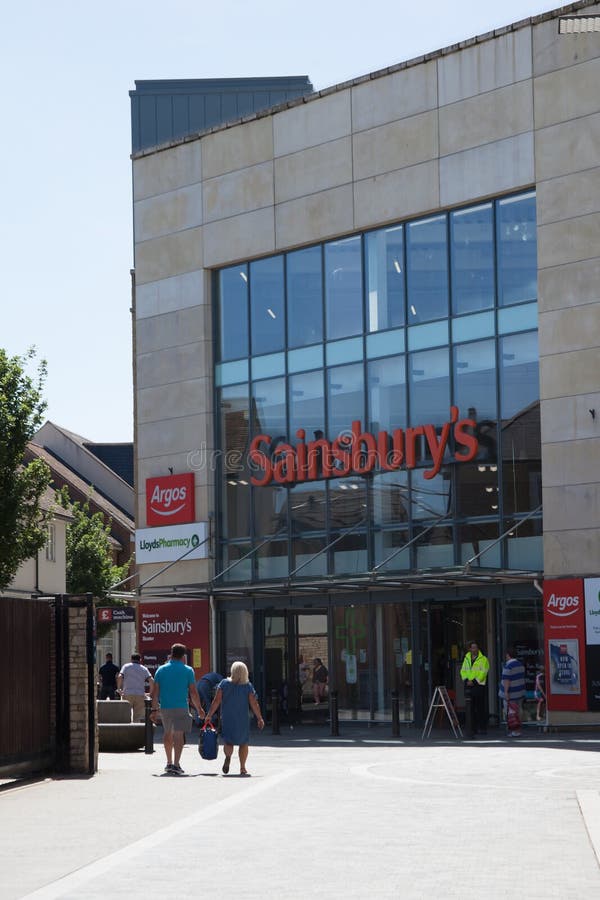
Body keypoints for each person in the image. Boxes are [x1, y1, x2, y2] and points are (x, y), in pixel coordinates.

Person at [150, 643, 205, 775]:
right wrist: (199, 709)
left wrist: (154, 709)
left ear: (171, 653)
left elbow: (155, 692)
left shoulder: (161, 670)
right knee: (179, 735)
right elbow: (193, 692)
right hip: (181, 706)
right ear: (183, 655)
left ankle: (168, 762)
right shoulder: (188, 670)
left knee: (167, 733)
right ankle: (176, 764)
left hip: (165, 707)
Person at [205, 661, 264, 776]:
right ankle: (242, 767)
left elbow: (216, 701)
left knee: (228, 741)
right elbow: (254, 703)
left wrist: (209, 715)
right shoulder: (248, 686)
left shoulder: (224, 683)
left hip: (227, 718)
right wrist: (259, 718)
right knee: (244, 743)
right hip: (242, 718)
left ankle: (228, 756)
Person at [460, 641, 490, 737]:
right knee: (470, 708)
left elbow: (483, 672)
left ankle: (482, 728)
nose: (474, 649)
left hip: (479, 685)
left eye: (475, 647)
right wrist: (466, 680)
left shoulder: (484, 659)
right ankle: (472, 728)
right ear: (469, 649)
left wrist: (474, 681)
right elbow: (463, 671)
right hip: (468, 685)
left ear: (478, 648)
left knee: (480, 708)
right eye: (472, 648)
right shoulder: (466, 658)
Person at [498, 646, 526, 737]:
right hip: (520, 692)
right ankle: (518, 730)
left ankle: (514, 731)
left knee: (511, 713)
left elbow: (506, 680)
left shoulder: (508, 666)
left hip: (511, 694)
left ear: (508, 655)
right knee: (518, 711)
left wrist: (506, 693)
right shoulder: (520, 665)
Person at [117, 653, 153, 722]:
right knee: (138, 717)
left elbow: (120, 676)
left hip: (127, 693)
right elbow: (151, 680)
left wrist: (119, 689)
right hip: (140, 694)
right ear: (140, 660)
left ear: (131, 659)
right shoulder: (144, 668)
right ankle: (136, 731)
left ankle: (126, 731)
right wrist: (150, 693)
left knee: (125, 715)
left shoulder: (126, 666)